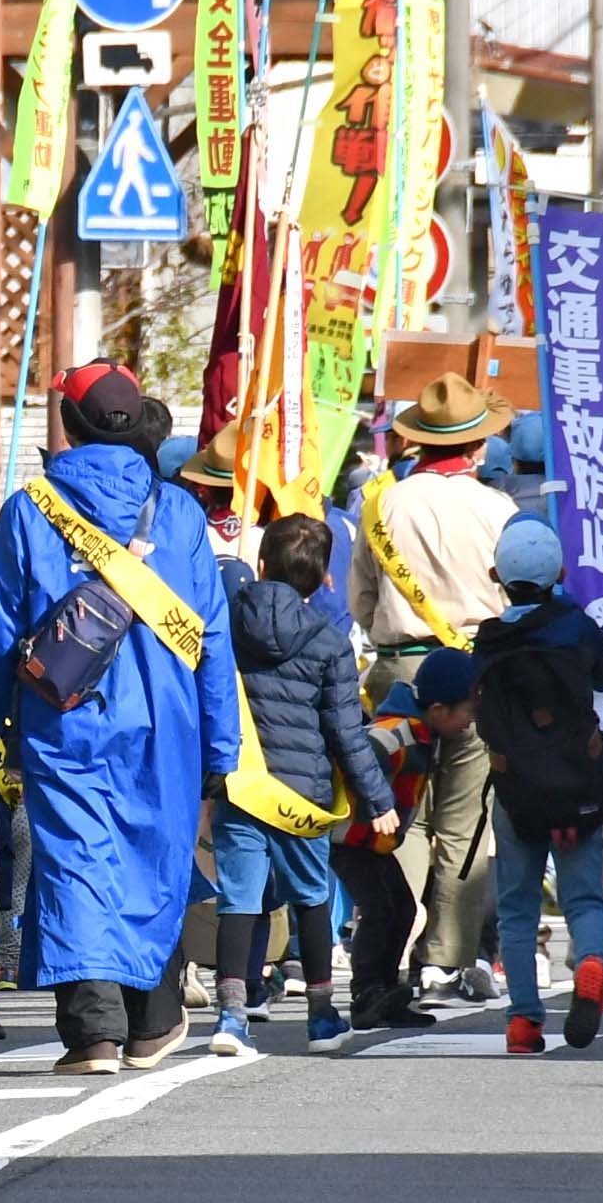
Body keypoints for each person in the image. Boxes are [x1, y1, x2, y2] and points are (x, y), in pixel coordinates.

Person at [0, 363, 240, 1074]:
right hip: (168, 722)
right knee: (155, 856)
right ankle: (151, 1020)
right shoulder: (177, 511)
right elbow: (211, 637)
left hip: (64, 717)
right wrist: (221, 743)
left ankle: (92, 1033)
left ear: (70, 424)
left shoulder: (31, 508)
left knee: (75, 863)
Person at [337, 374, 514, 1002]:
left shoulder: (382, 503)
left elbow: (360, 599)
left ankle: (398, 927)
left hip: (397, 667)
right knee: (467, 819)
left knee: (401, 811)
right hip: (473, 674)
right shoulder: (499, 510)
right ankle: (444, 955)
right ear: (475, 447)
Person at [212, 515, 397, 1054]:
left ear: (262, 563)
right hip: (302, 792)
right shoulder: (328, 640)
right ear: (322, 580)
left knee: (239, 901)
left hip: (240, 784)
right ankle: (320, 1016)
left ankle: (231, 1017)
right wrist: (377, 797)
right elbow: (344, 729)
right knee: (312, 899)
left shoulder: (225, 626)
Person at [471, 522, 603, 1055]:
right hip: (577, 782)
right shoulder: (577, 629)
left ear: (497, 577)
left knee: (518, 908)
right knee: (584, 897)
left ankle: (523, 1024)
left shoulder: (486, 640)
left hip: (516, 789)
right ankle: (590, 961)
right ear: (560, 574)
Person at [340, 652, 484, 1030]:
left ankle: (389, 992)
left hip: (377, 843)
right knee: (379, 911)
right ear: (437, 708)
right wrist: (376, 804)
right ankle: (367, 992)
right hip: (352, 839)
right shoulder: (393, 733)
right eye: (466, 711)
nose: (470, 720)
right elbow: (359, 763)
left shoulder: (426, 733)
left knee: (402, 908)